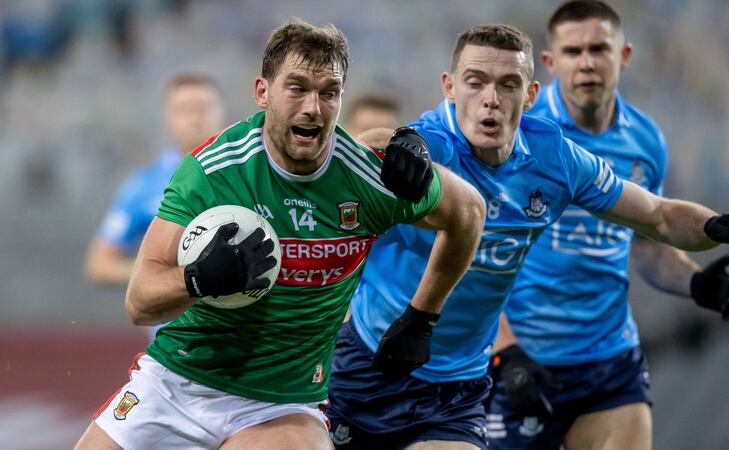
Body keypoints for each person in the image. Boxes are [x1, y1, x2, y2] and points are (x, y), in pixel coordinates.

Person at [325, 23, 729, 450]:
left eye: (508, 85)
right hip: (371, 360)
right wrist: (398, 139)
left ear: (531, 94)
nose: (491, 100)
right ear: (450, 88)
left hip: (456, 387)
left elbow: (658, 216)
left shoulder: (555, 159)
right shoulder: (432, 144)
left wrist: (716, 226)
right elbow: (372, 144)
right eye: (475, 82)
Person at [74, 19, 486, 450]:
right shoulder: (212, 171)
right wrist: (197, 278)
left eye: (329, 92)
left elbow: (469, 212)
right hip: (177, 384)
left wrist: (421, 318)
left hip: (280, 406)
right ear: (262, 92)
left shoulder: (369, 178)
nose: (313, 107)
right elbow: (139, 302)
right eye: (297, 88)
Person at [486, 3, 729, 449]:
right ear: (550, 62)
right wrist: (504, 351)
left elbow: (646, 241)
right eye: (573, 51)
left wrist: (695, 283)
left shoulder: (645, 141)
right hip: (522, 363)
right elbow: (473, 256)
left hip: (610, 360)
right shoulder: (515, 132)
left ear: (623, 55)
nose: (587, 62)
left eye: (599, 49)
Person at [84, 73, 225, 286]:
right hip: (176, 307)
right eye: (184, 109)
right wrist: (155, 274)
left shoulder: (250, 175)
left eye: (203, 107)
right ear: (168, 120)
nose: (196, 117)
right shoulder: (143, 186)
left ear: (222, 113)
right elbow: (99, 263)